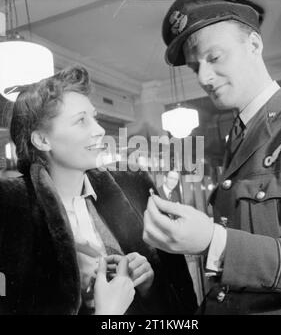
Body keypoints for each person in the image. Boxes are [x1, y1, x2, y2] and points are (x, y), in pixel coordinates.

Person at [143, 0, 281, 314]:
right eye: (194, 66)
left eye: (214, 57)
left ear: (254, 44)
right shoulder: (239, 134)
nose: (203, 77)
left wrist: (214, 241)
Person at [0, 65, 197, 315]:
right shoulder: (10, 211)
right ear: (42, 140)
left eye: (94, 117)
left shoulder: (133, 187)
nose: (99, 130)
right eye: (81, 121)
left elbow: (178, 298)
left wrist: (147, 285)